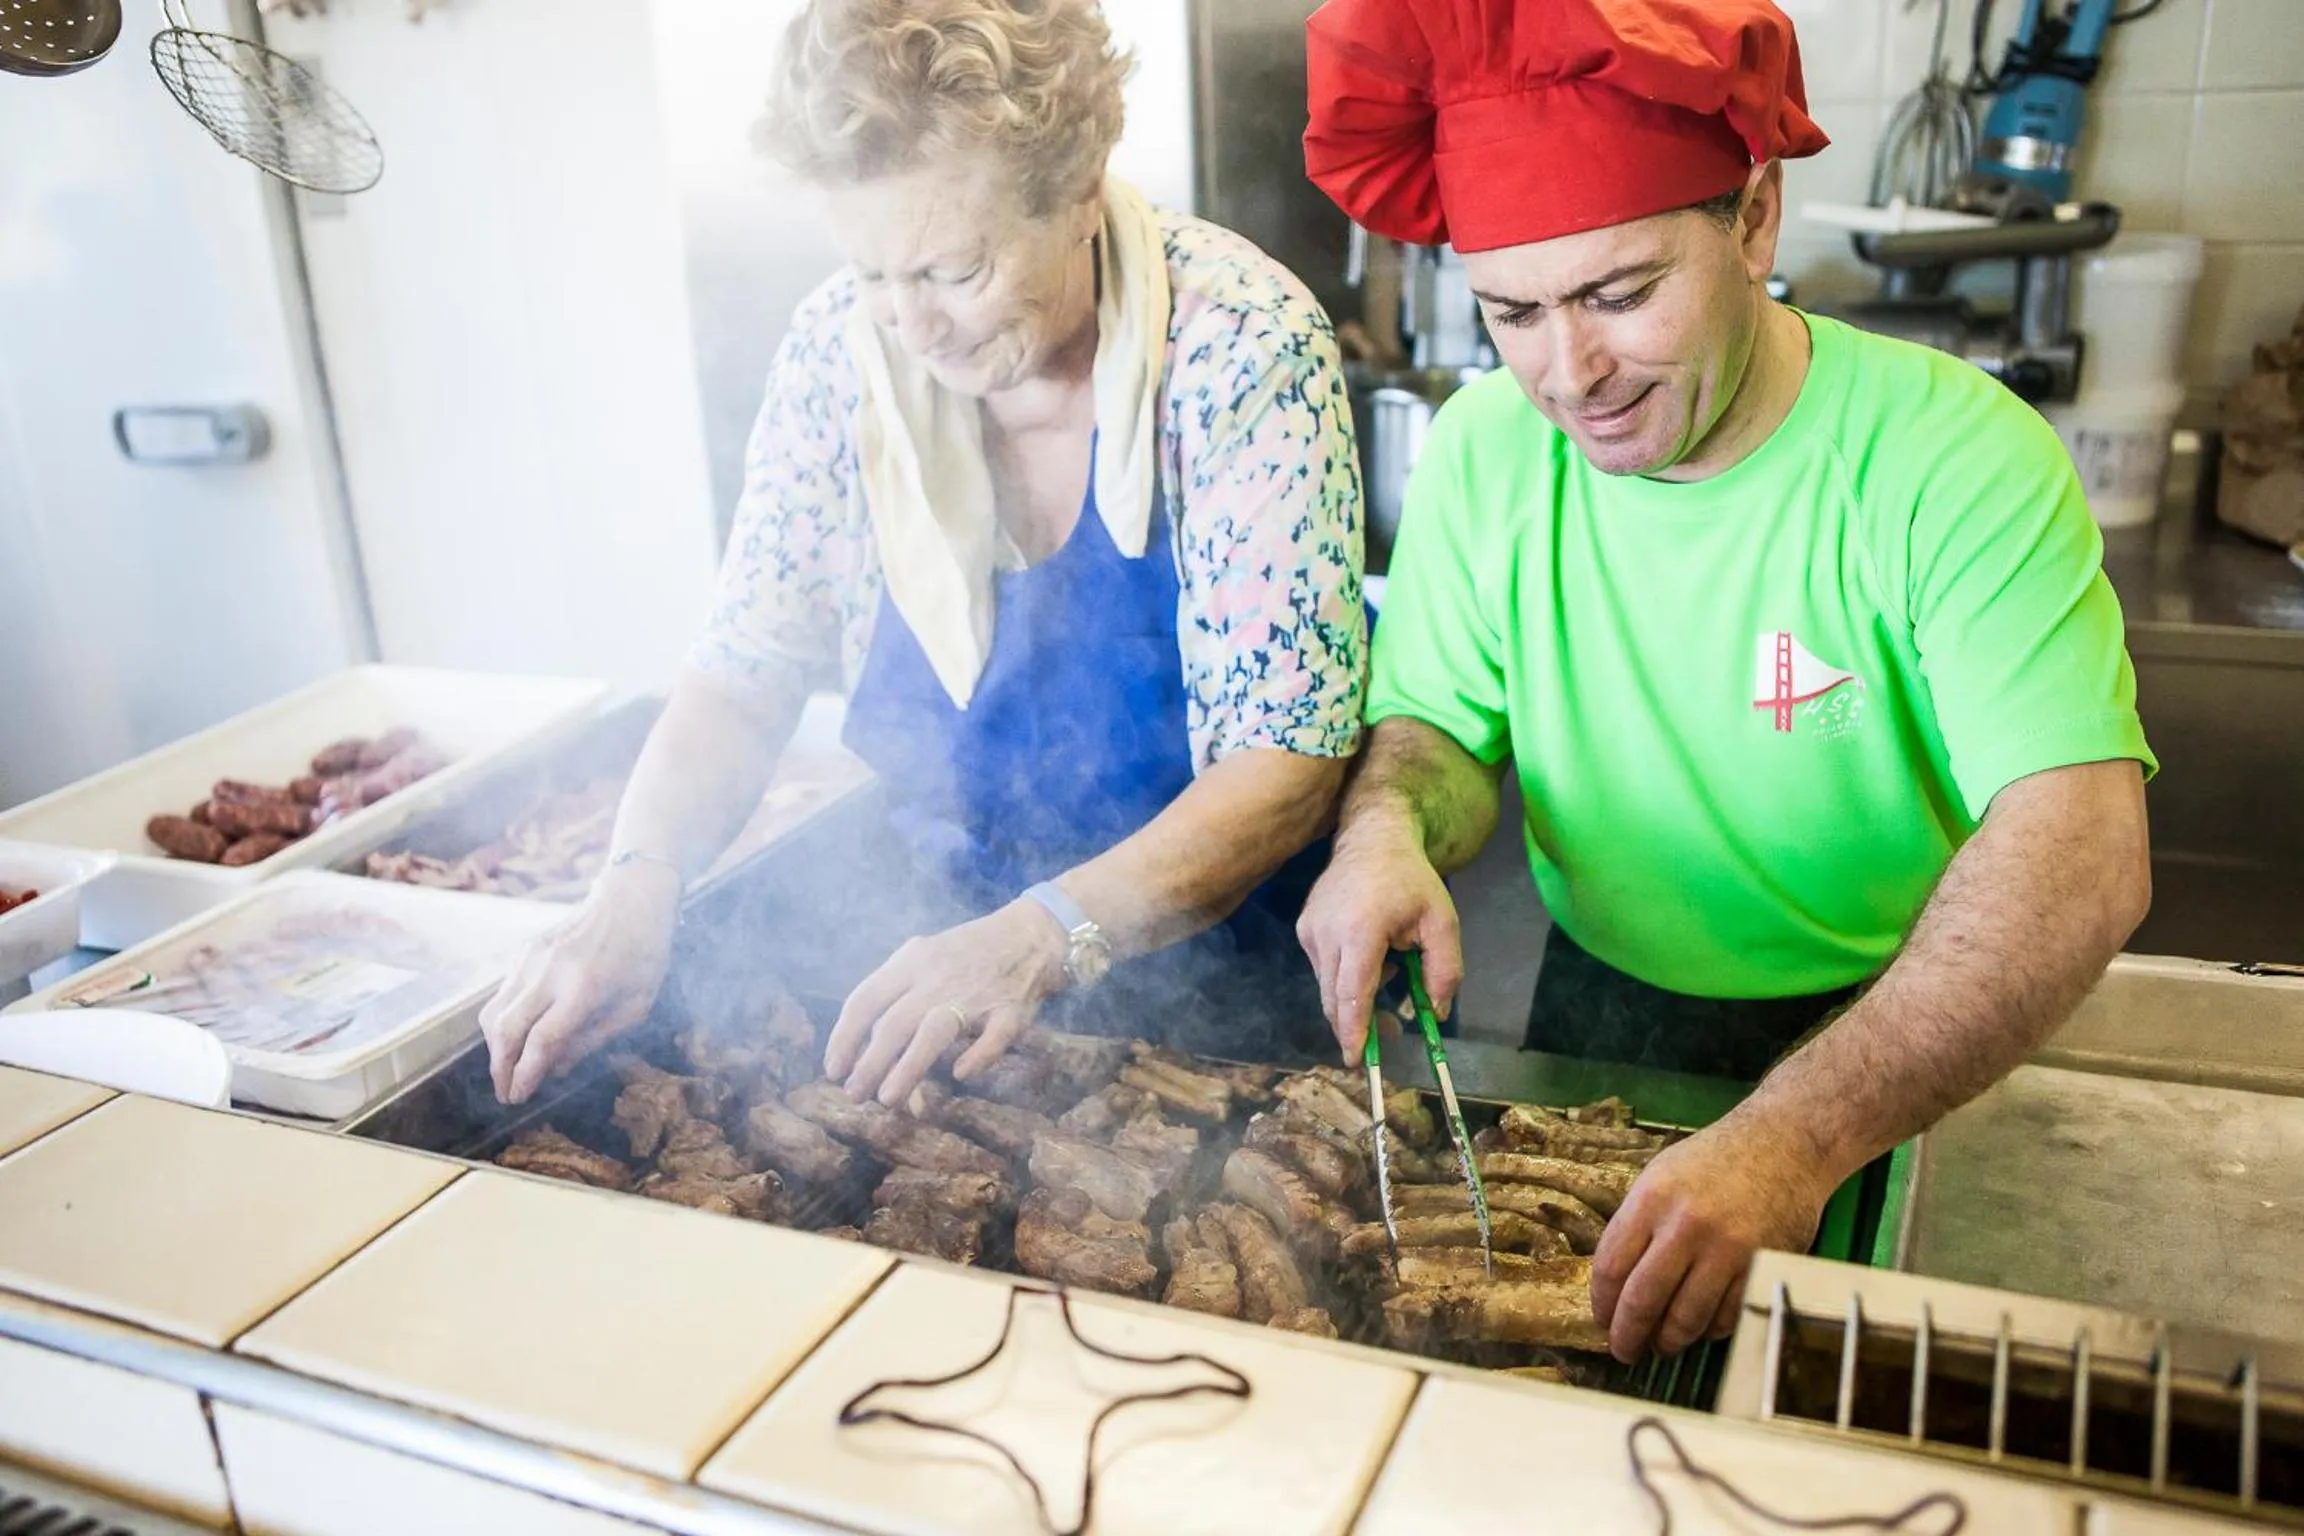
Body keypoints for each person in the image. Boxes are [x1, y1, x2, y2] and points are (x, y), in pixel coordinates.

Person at [1294, 0, 2154, 1363]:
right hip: (1596, 1018)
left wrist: (1795, 1137)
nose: (1569, 376)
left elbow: (2084, 853)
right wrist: (1386, 830)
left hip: (1899, 1040)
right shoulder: (1483, 451)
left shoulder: (1953, 462)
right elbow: (1436, 732)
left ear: (1754, 219)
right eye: (1512, 312)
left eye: (1622, 295)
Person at [482, 0, 1365, 1110]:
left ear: (1081, 192)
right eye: (872, 275)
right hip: (934, 965)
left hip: (1235, 1000)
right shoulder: (836, 356)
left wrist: (1046, 935)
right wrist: (633, 885)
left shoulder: (1240, 347)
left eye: (953, 271)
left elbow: (1285, 763)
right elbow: (744, 672)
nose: (914, 327)